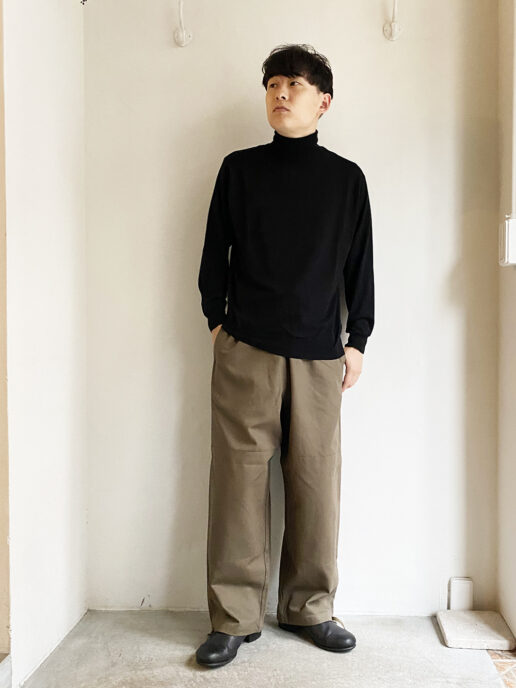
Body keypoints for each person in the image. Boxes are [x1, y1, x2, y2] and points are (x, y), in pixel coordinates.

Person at [195, 43, 374, 669]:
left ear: (323, 101)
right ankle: (233, 618)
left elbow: (360, 268)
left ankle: (310, 609)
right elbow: (214, 252)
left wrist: (358, 340)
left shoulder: (347, 180)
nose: (280, 93)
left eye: (295, 84)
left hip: (321, 354)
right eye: (273, 83)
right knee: (237, 484)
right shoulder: (238, 170)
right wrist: (217, 322)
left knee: (316, 484)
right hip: (246, 348)